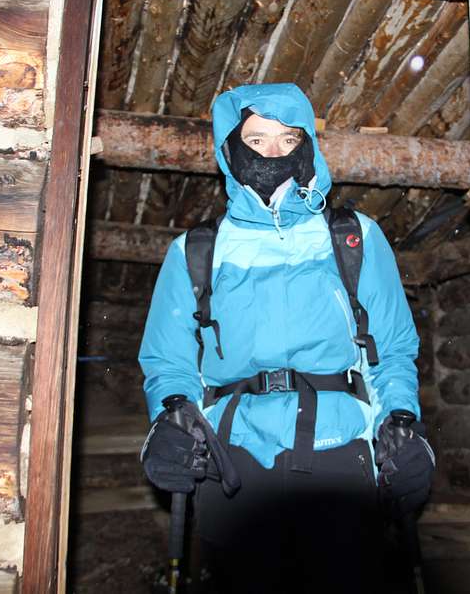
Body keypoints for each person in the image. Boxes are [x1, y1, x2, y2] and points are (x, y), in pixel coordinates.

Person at [138, 83, 434, 593]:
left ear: (308, 146)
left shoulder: (353, 237)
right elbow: (170, 360)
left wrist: (402, 424)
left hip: (340, 455)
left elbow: (392, 352)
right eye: (256, 141)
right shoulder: (196, 251)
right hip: (234, 460)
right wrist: (168, 422)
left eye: (287, 138)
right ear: (229, 148)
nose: (273, 153)